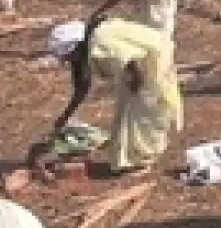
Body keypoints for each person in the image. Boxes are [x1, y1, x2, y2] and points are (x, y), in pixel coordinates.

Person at [47, 16, 183, 174]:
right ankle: (131, 158)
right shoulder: (92, 39)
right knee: (127, 113)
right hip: (139, 66)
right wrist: (64, 118)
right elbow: (82, 87)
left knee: (143, 114)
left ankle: (142, 161)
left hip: (150, 63)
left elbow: (131, 60)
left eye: (69, 57)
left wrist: (136, 81)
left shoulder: (99, 42)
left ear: (75, 47)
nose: (70, 61)